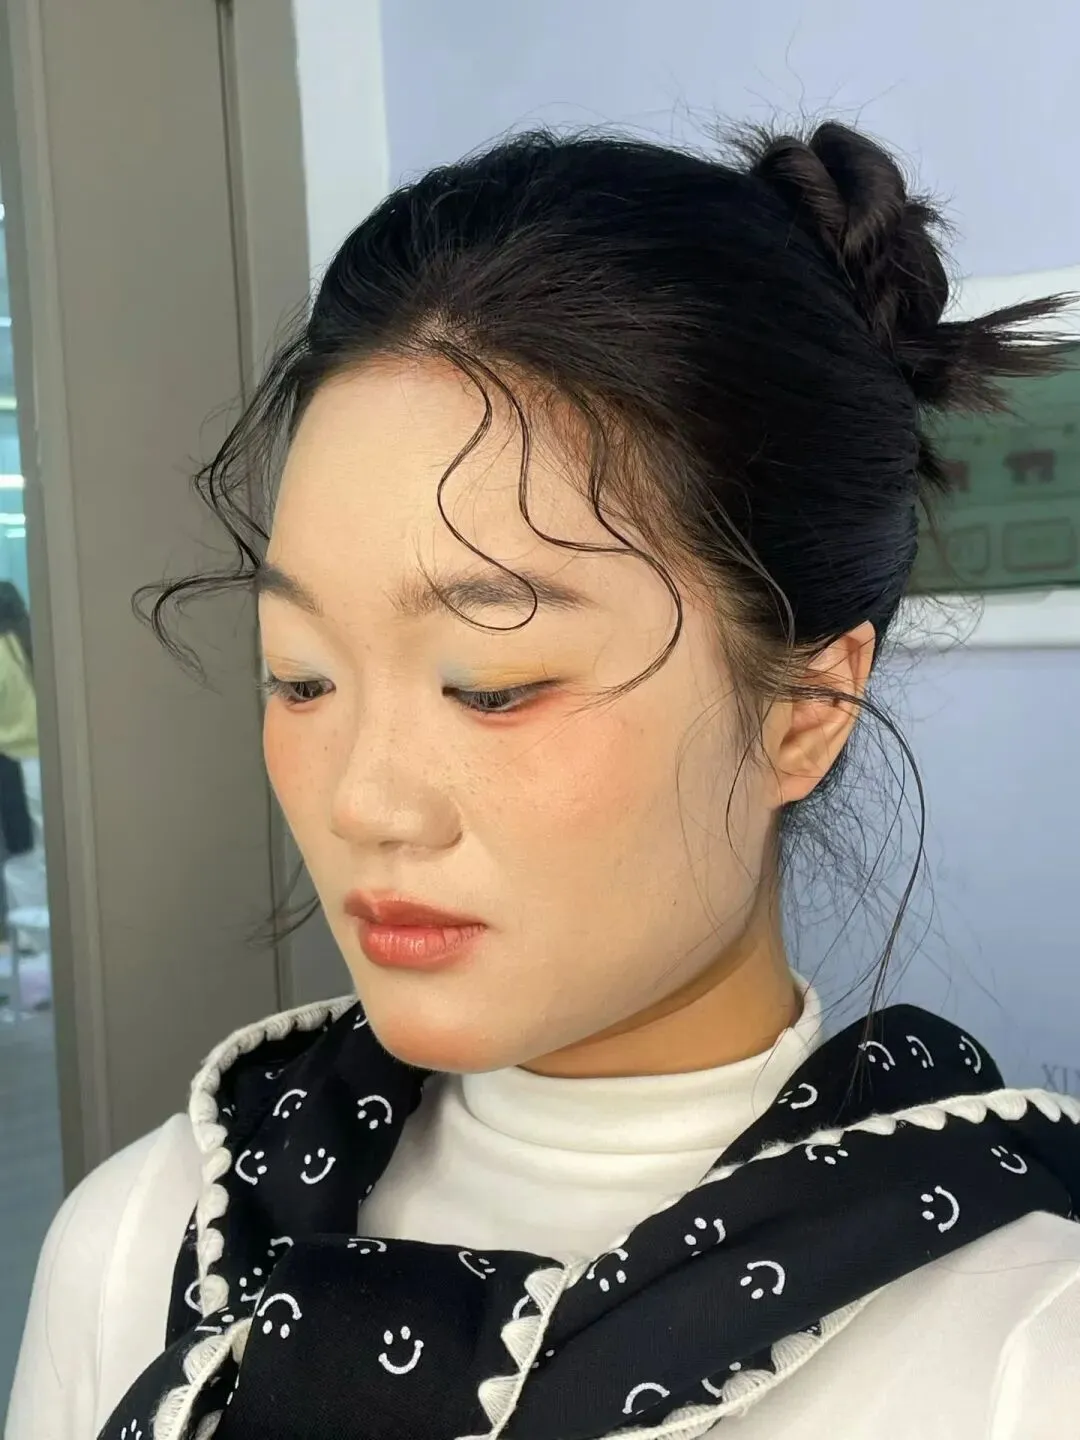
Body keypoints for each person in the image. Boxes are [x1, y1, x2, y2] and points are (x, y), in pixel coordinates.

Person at [7, 120, 1080, 1440]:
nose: (364, 803)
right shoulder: (142, 1240)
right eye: (302, 676)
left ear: (805, 709)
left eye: (492, 685)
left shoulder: (1027, 1357)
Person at [0, 581, 47, 922]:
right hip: (49, 763)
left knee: (23, 856)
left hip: (15, 767)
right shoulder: (34, 643)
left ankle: (32, 937)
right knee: (47, 850)